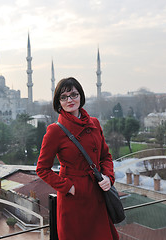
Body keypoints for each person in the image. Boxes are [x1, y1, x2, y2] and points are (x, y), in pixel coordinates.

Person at [36, 77, 119, 240]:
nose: (70, 100)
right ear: (58, 102)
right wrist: (68, 187)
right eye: (64, 97)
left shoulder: (94, 123)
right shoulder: (55, 131)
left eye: (73, 94)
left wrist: (108, 177)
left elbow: (105, 156)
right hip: (74, 200)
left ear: (81, 96)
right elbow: (42, 169)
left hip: (97, 192)